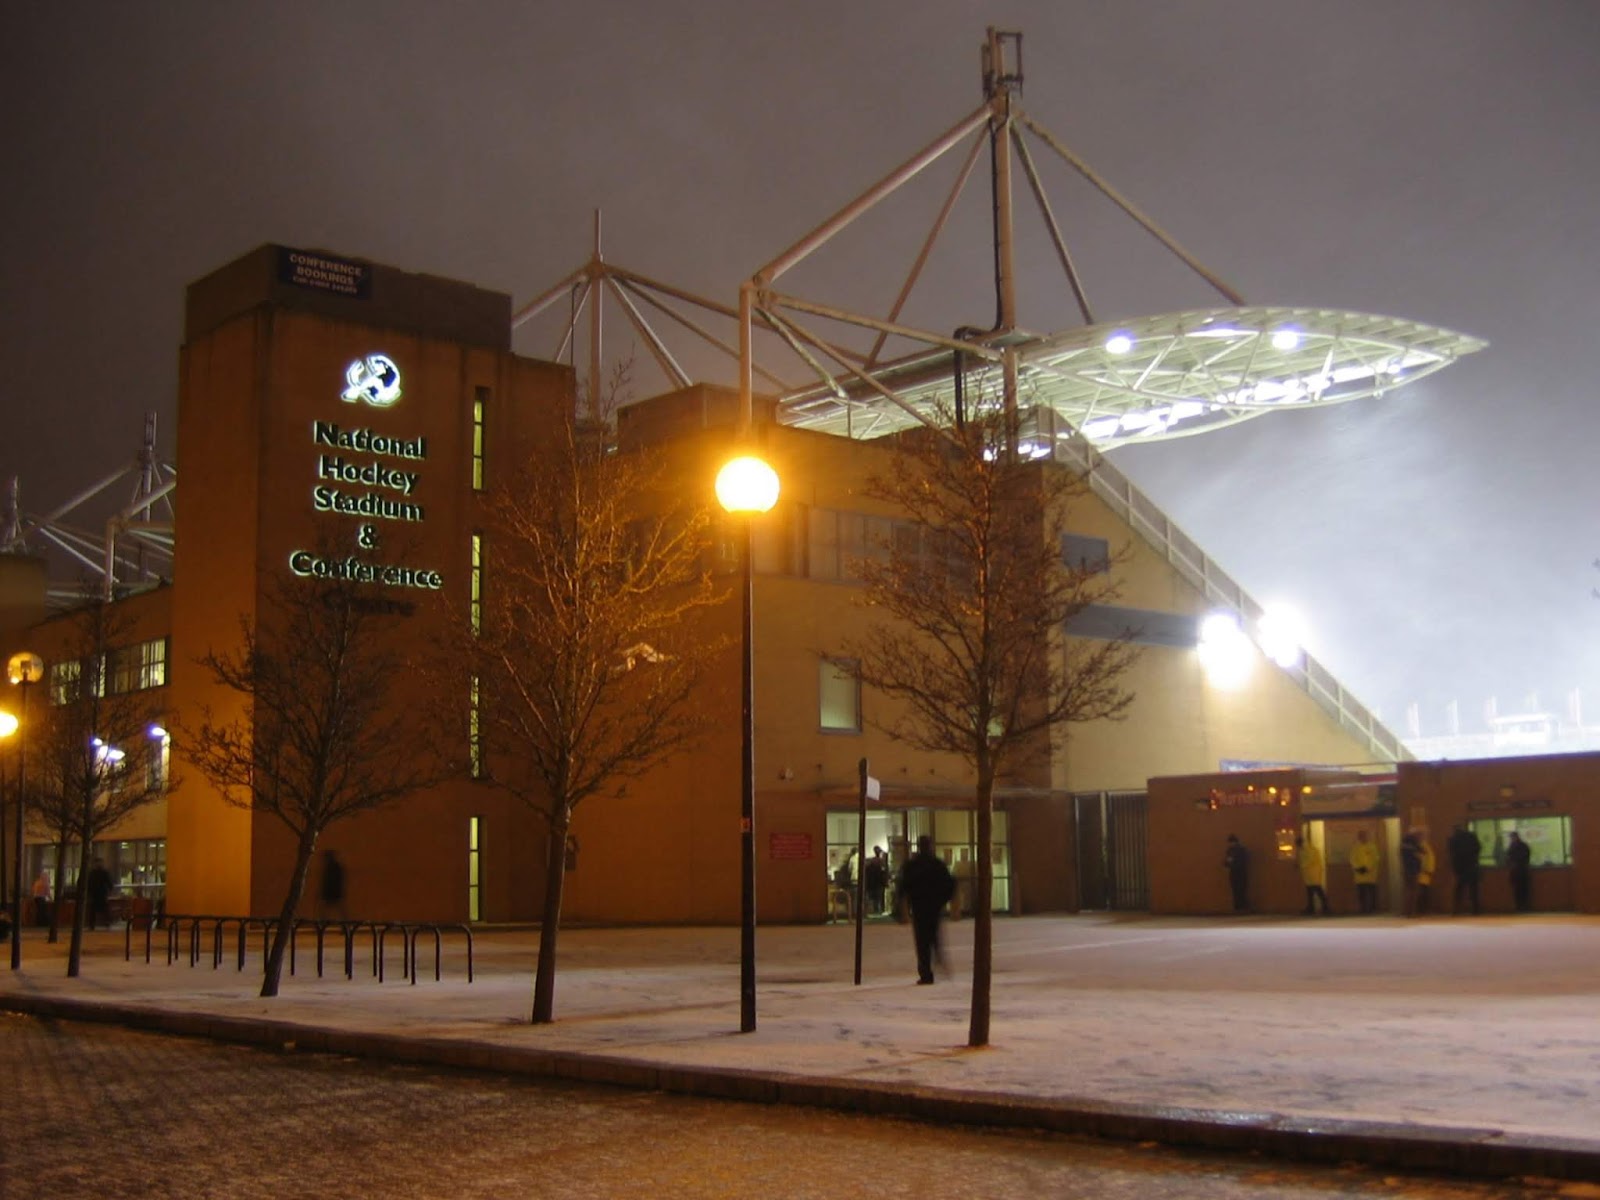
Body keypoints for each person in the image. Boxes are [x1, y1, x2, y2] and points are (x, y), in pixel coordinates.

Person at [897, 834, 954, 984]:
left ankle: (926, 972)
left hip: (919, 908)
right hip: (933, 908)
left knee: (922, 943)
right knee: (934, 937)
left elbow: (903, 886)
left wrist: (904, 903)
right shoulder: (937, 864)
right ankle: (938, 959)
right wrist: (942, 902)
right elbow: (949, 885)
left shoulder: (913, 865)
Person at [1446, 823, 1482, 915]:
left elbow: (1451, 853)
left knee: (1459, 889)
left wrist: (1454, 867)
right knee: (1474, 889)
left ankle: (1456, 909)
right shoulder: (1471, 836)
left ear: (1454, 830)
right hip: (1472, 865)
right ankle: (1476, 910)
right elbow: (1478, 848)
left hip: (1460, 867)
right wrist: (1474, 858)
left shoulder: (1453, 839)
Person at [1401, 827, 1434, 917]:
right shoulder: (1413, 843)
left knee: (1409, 891)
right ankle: (1412, 912)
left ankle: (1408, 912)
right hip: (1413, 870)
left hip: (1408, 869)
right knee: (1414, 891)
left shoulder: (1404, 843)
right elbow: (1423, 852)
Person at [1295, 834, 1329, 915]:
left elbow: (1309, 860)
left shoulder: (1310, 850)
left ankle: (1326, 908)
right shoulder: (1302, 850)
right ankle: (1311, 907)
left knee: (1317, 890)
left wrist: (1300, 865)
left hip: (1314, 873)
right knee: (1310, 891)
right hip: (1308, 874)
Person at [1348, 829, 1380, 914]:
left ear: (1367, 836)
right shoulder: (1355, 847)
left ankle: (1372, 909)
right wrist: (1358, 868)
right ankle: (1363, 909)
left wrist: (1367, 868)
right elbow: (1352, 859)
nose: (1362, 837)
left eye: (1364, 835)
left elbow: (1375, 859)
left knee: (1371, 892)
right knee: (1361, 893)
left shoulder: (1372, 847)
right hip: (1359, 875)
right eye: (1360, 836)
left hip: (1370, 874)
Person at [318, 849, 348, 922]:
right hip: (334, 891)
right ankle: (346, 922)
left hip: (331, 891)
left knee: (327, 908)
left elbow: (327, 880)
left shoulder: (330, 867)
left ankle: (322, 922)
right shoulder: (336, 866)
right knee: (339, 908)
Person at [1222, 834, 1250, 913]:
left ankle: (1239, 907)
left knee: (1238, 889)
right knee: (1238, 889)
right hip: (1239, 872)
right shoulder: (1238, 850)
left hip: (1237, 871)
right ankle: (1240, 907)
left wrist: (1229, 863)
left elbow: (1228, 862)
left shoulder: (1235, 850)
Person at [1506, 830, 1532, 912]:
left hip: (1518, 871)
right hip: (1522, 871)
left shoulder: (1513, 846)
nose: (1511, 839)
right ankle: (1522, 906)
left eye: (1512, 837)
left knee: (1519, 890)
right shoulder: (1523, 846)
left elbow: (1509, 858)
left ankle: (1520, 906)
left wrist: (1512, 863)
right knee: (1522, 890)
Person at [86, 858, 113, 930]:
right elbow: (89, 883)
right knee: (94, 910)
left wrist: (110, 889)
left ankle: (106, 922)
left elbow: (109, 882)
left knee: (103, 909)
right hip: (96, 893)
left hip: (101, 893)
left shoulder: (101, 873)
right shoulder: (92, 873)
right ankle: (93, 924)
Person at [864, 847, 888, 915]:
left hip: (873, 882)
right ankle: (880, 909)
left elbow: (867, 871)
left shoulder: (871, 861)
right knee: (879, 896)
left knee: (875, 897)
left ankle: (876, 909)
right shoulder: (881, 862)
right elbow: (884, 873)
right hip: (879, 882)